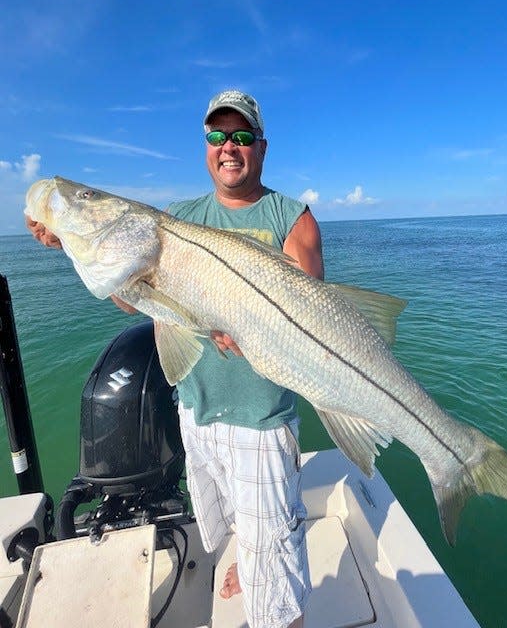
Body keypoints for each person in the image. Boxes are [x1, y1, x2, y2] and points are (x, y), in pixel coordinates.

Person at [26, 90, 324, 628]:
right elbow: (131, 296)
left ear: (261, 145)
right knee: (228, 521)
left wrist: (252, 328)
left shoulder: (292, 218)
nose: (228, 147)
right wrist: (72, 241)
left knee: (276, 594)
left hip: (260, 422)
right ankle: (243, 561)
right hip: (196, 412)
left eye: (240, 136)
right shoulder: (178, 217)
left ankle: (268, 587)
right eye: (216, 136)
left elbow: (312, 323)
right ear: (205, 147)